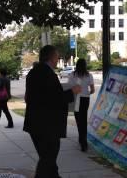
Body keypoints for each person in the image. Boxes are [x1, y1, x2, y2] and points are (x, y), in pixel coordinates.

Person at [23, 45, 82, 178]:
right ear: (50, 57)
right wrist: (72, 91)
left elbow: (29, 97)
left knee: (47, 158)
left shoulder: (33, 73)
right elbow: (54, 99)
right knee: (48, 158)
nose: (58, 59)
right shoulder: (48, 74)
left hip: (35, 123)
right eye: (56, 56)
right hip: (47, 125)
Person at [67, 59, 95, 152]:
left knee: (78, 120)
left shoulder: (72, 75)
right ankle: (83, 141)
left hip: (75, 99)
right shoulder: (89, 75)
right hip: (85, 99)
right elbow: (92, 90)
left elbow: (69, 87)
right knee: (83, 119)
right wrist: (87, 92)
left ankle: (81, 139)